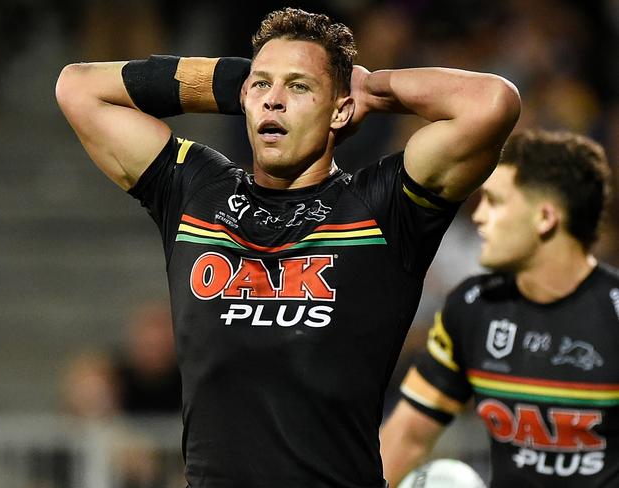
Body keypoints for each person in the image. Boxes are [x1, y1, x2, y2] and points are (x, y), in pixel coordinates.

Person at [55, 7, 520, 487]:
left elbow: (491, 102)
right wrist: (234, 82)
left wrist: (369, 89)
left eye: (299, 87)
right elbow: (78, 87)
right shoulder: (196, 191)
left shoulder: (382, 207)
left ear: (339, 109)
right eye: (261, 86)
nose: (273, 101)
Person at [380, 129, 618, 487]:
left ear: (545, 218)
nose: (478, 216)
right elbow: (407, 436)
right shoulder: (474, 307)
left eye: (494, 201)